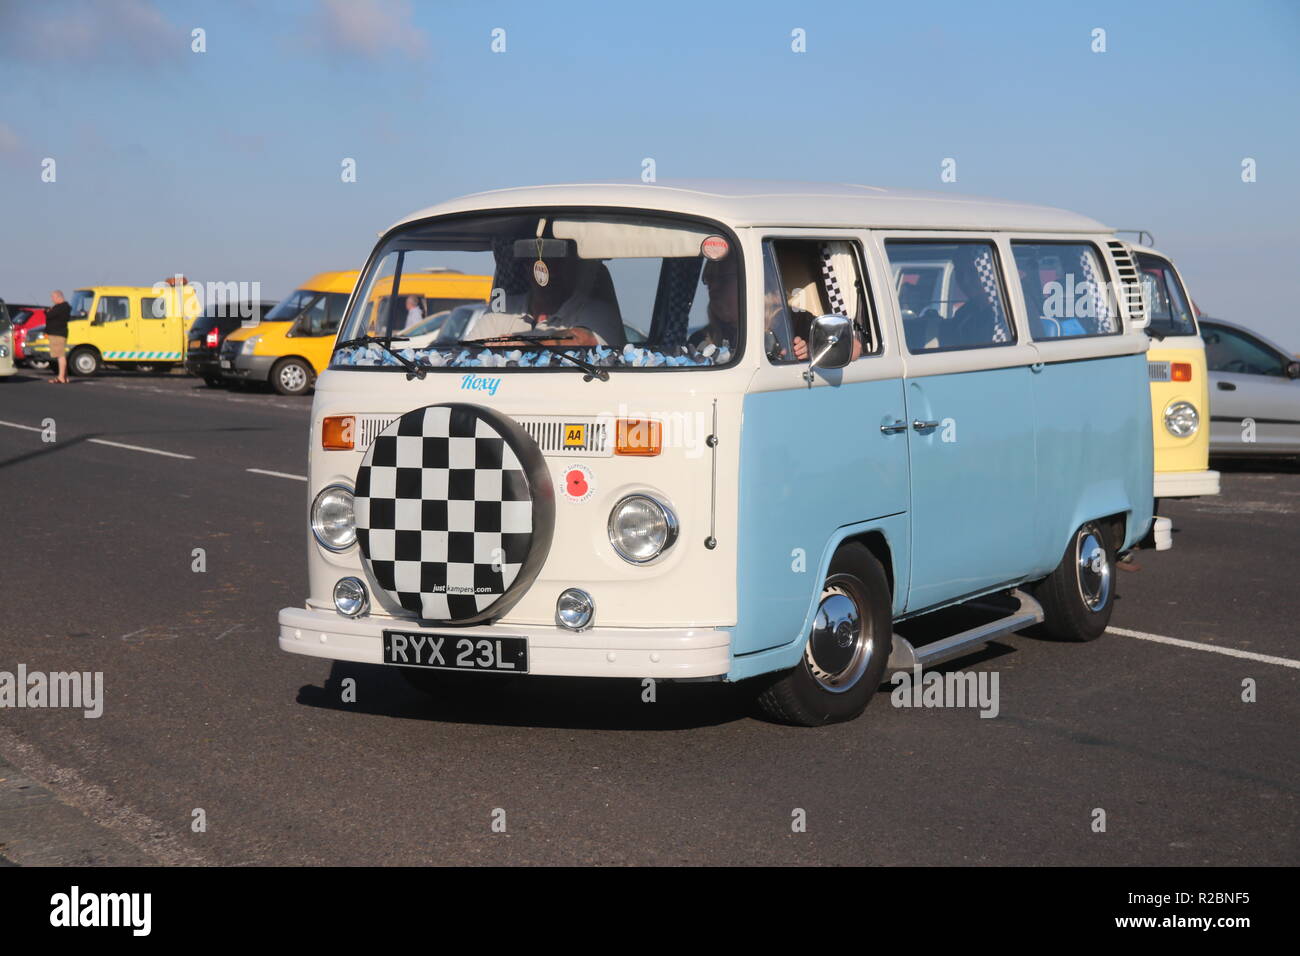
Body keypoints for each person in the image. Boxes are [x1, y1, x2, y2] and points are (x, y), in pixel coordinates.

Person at [45, 290, 71, 383]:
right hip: (59, 333)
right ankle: (65, 377)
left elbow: (49, 315)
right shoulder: (65, 307)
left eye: (53, 297)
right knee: (60, 354)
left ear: (58, 297)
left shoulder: (61, 307)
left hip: (57, 334)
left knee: (60, 355)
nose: (52, 299)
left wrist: (49, 311)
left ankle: (61, 377)